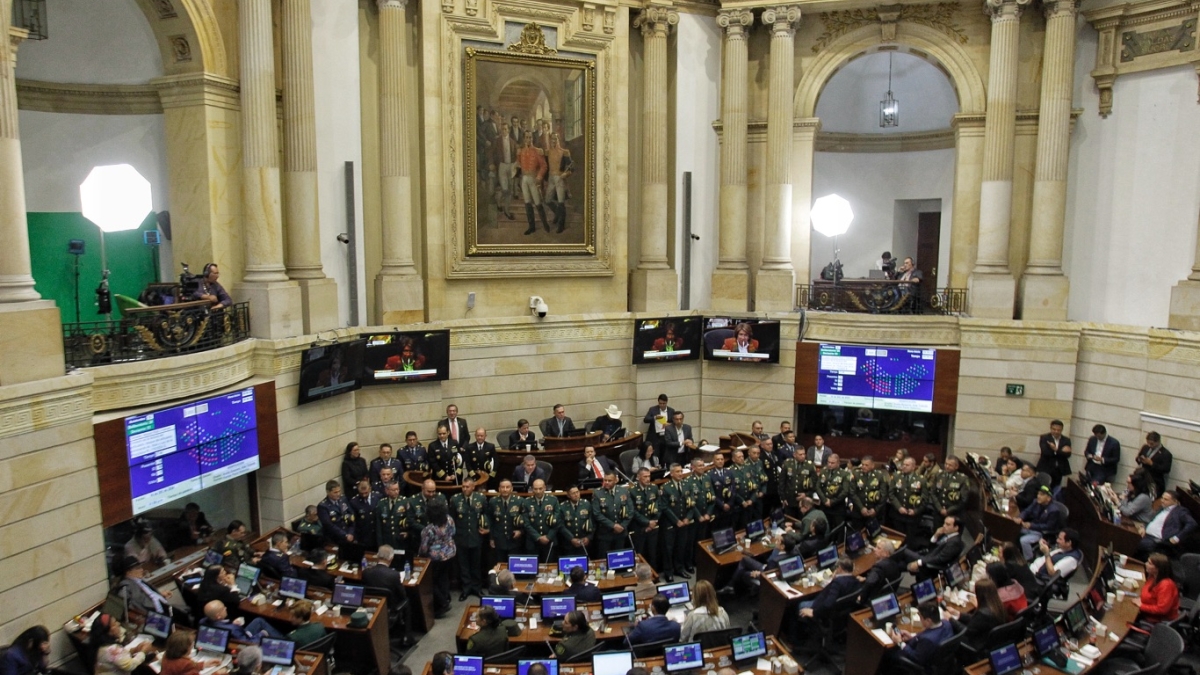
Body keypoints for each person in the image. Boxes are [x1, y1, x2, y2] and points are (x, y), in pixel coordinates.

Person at [885, 602, 955, 671]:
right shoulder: (946, 623)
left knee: (888, 654)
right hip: (936, 659)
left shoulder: (928, 640)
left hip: (918, 661)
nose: (919, 619)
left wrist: (900, 642)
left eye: (920, 617)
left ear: (928, 620)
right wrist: (911, 638)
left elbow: (916, 658)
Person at [450, 477, 488, 601]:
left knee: (476, 565)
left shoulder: (481, 498)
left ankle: (477, 588)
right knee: (463, 565)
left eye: (467, 486)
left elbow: (486, 515)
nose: (465, 489)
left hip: (476, 537)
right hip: (461, 538)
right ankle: (466, 589)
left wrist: (486, 528)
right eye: (463, 486)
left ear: (473, 487)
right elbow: (452, 519)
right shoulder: (455, 499)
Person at [419, 499, 457, 618]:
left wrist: (420, 555)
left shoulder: (429, 529)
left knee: (432, 582)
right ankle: (445, 598)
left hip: (435, 559)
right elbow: (453, 532)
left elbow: (424, 547)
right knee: (444, 578)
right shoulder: (449, 519)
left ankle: (443, 603)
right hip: (450, 553)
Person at [1137, 489, 1197, 558]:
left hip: (1158, 541)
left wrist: (1177, 538)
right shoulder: (1162, 508)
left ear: (1175, 501)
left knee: (1134, 543)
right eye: (1162, 498)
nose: (1162, 500)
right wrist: (1144, 527)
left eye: (1166, 499)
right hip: (1145, 535)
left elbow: (1192, 524)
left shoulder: (1180, 511)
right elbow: (1151, 520)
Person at [798, 557, 862, 621]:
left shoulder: (837, 583)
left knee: (801, 604)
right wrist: (835, 578)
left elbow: (828, 604)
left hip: (821, 611)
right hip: (841, 612)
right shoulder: (856, 581)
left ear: (840, 568)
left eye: (837, 568)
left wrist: (813, 613)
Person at [900, 516, 964, 580]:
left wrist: (919, 562)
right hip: (928, 556)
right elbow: (931, 548)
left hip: (929, 563)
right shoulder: (947, 535)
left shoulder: (954, 542)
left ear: (956, 528)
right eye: (944, 523)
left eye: (948, 524)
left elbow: (940, 559)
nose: (944, 526)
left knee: (903, 551)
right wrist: (936, 535)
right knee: (899, 564)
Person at [91, 614, 155, 675]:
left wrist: (134, 650)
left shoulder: (102, 644)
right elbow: (130, 666)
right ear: (110, 630)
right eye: (115, 623)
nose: (118, 624)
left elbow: (119, 657)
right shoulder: (112, 649)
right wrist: (143, 652)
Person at [1018, 485, 1068, 559]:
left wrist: (1031, 525)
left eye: (1042, 495)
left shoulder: (1054, 510)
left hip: (1042, 532)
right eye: (1038, 494)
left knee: (1024, 541)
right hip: (1031, 527)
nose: (1038, 496)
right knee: (1015, 529)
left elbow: (1048, 526)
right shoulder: (1036, 502)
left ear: (1048, 498)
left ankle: (1029, 559)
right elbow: (1027, 511)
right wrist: (1020, 517)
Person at [516, 134, 550, 234]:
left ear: (532, 138)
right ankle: (532, 227)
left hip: (533, 179)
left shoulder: (537, 151)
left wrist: (539, 177)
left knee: (538, 203)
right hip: (524, 179)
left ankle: (545, 224)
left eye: (530, 137)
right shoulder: (521, 151)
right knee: (527, 203)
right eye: (526, 137)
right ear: (524, 139)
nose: (528, 139)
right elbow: (519, 164)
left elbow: (544, 166)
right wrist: (517, 156)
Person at [202, 600, 283, 642]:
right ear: (218, 616)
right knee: (265, 630)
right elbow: (247, 643)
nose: (225, 608)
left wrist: (231, 623)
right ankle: (284, 642)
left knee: (258, 621)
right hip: (245, 639)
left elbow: (222, 625)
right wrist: (262, 634)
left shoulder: (203, 622)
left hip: (239, 633)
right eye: (223, 608)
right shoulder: (232, 629)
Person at [960, 578, 1005, 652]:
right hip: (990, 639)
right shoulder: (998, 605)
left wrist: (951, 619)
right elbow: (976, 621)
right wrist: (959, 615)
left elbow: (967, 631)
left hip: (979, 644)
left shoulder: (982, 614)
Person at [593, 473, 632, 556]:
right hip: (605, 534)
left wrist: (622, 526)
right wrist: (613, 526)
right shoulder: (597, 493)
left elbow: (631, 511)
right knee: (604, 559)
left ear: (615, 481)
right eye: (605, 480)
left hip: (621, 533)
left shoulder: (623, 491)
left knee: (619, 559)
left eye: (609, 480)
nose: (606, 482)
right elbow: (597, 514)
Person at [488, 479, 525, 565]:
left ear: (511, 489)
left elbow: (525, 519)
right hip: (499, 540)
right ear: (499, 489)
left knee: (515, 566)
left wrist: (521, 531)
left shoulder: (519, 501)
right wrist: (491, 538)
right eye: (502, 487)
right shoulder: (493, 501)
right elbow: (490, 521)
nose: (505, 489)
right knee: (500, 566)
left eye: (507, 487)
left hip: (514, 541)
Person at [524, 478, 560, 562]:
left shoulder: (553, 500)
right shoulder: (527, 502)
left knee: (549, 569)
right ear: (532, 489)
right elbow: (526, 523)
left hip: (549, 541)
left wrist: (548, 536)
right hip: (533, 542)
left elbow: (558, 521)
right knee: (533, 570)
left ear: (545, 488)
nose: (538, 491)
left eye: (540, 488)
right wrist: (538, 537)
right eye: (535, 489)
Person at [856, 539, 903, 603]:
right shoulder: (894, 563)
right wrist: (865, 578)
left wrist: (861, 597)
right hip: (887, 595)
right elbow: (880, 579)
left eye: (878, 548)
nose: (874, 549)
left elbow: (870, 583)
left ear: (886, 553)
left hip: (874, 598)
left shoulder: (879, 567)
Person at [1137, 553, 1180, 623]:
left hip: (1157, 621)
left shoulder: (1166, 585)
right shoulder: (1152, 577)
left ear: (1158, 568)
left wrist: (1141, 606)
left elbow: (1162, 609)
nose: (1146, 564)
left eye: (1150, 563)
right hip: (1146, 614)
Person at [545, 134, 573, 232]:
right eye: (552, 139)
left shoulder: (564, 152)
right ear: (550, 140)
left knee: (561, 202)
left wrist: (566, 174)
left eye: (555, 138)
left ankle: (561, 225)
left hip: (560, 178)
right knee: (547, 200)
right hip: (551, 178)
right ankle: (558, 214)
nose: (553, 140)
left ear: (558, 140)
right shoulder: (547, 152)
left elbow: (571, 168)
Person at [558, 485, 594, 557]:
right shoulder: (562, 507)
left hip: (584, 542)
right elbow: (561, 525)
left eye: (577, 492)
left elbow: (593, 522)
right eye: (573, 493)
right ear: (568, 495)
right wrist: (571, 538)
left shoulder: (586, 504)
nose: (576, 495)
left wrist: (589, 537)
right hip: (569, 543)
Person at [317, 480, 355, 545]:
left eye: (339, 491)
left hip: (349, 535)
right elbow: (328, 525)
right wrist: (345, 535)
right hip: (334, 538)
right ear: (328, 492)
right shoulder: (323, 506)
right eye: (335, 492)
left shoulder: (343, 499)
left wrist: (351, 533)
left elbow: (351, 515)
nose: (338, 494)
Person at [1036, 419, 1072, 487]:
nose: (1056, 431)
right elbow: (1045, 452)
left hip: (1059, 469)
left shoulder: (1066, 440)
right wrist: (1061, 451)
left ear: (1061, 430)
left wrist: (1056, 449)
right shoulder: (1044, 438)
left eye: (1058, 430)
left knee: (1056, 487)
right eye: (1054, 429)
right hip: (1046, 467)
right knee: (1044, 487)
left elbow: (1068, 454)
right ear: (1051, 428)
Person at [1136, 431, 1173, 497]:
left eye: (1152, 444)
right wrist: (1140, 459)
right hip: (1142, 477)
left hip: (1155, 481)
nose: (1149, 445)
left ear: (1158, 442)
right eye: (1148, 443)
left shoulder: (1166, 454)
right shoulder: (1145, 447)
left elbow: (1166, 469)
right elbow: (1138, 457)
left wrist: (1152, 464)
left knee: (1151, 499)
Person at [349, 478, 382, 548]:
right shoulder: (354, 502)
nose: (364, 495)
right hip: (364, 535)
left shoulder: (378, 497)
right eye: (361, 493)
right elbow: (354, 521)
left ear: (370, 489)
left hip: (377, 535)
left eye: (366, 493)